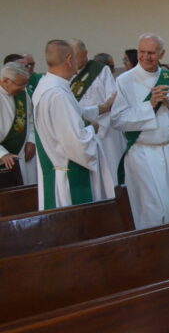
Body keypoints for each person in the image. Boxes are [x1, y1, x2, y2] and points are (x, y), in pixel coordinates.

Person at [111, 33, 169, 228]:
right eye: (142, 52)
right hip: (143, 152)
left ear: (162, 54)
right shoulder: (125, 81)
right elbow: (117, 119)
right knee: (153, 208)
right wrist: (149, 105)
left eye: (151, 53)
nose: (145, 57)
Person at [32, 40, 114, 209]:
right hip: (69, 178)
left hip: (57, 170)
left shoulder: (45, 86)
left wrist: (102, 108)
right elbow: (77, 143)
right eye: (75, 59)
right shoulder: (58, 95)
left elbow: (72, 115)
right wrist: (94, 128)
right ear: (69, 59)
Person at [69, 39, 123, 179]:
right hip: (81, 131)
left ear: (86, 53)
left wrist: (99, 128)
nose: (73, 60)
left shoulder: (101, 70)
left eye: (76, 55)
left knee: (110, 172)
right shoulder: (67, 74)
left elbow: (111, 100)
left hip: (104, 131)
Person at [0, 62, 36, 185]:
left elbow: (31, 119)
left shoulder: (22, 93)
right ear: (5, 80)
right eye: (20, 84)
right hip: (4, 159)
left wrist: (31, 140)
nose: (23, 88)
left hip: (23, 155)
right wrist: (2, 154)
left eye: (25, 84)